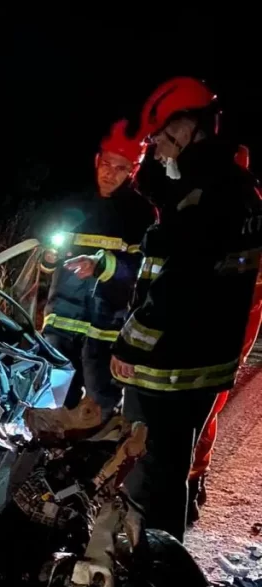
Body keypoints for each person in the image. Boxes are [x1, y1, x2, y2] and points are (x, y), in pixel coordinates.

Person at [111, 77, 262, 542]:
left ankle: (148, 583)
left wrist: (127, 346)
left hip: (167, 369)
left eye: (166, 137)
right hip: (197, 365)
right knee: (168, 475)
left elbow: (177, 286)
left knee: (146, 480)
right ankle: (158, 568)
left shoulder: (209, 199)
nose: (157, 146)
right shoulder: (232, 191)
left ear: (198, 134)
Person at [39, 121, 154, 416]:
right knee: (52, 400)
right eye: (106, 164)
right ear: (96, 160)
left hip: (105, 329)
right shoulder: (74, 203)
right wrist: (49, 259)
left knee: (99, 409)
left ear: (134, 171)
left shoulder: (140, 213)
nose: (109, 173)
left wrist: (101, 265)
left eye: (121, 168)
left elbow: (140, 270)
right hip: (61, 322)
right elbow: (47, 258)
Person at [187, 144, 262, 523]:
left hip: (223, 336)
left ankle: (192, 481)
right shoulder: (198, 203)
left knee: (202, 409)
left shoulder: (245, 213)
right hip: (197, 330)